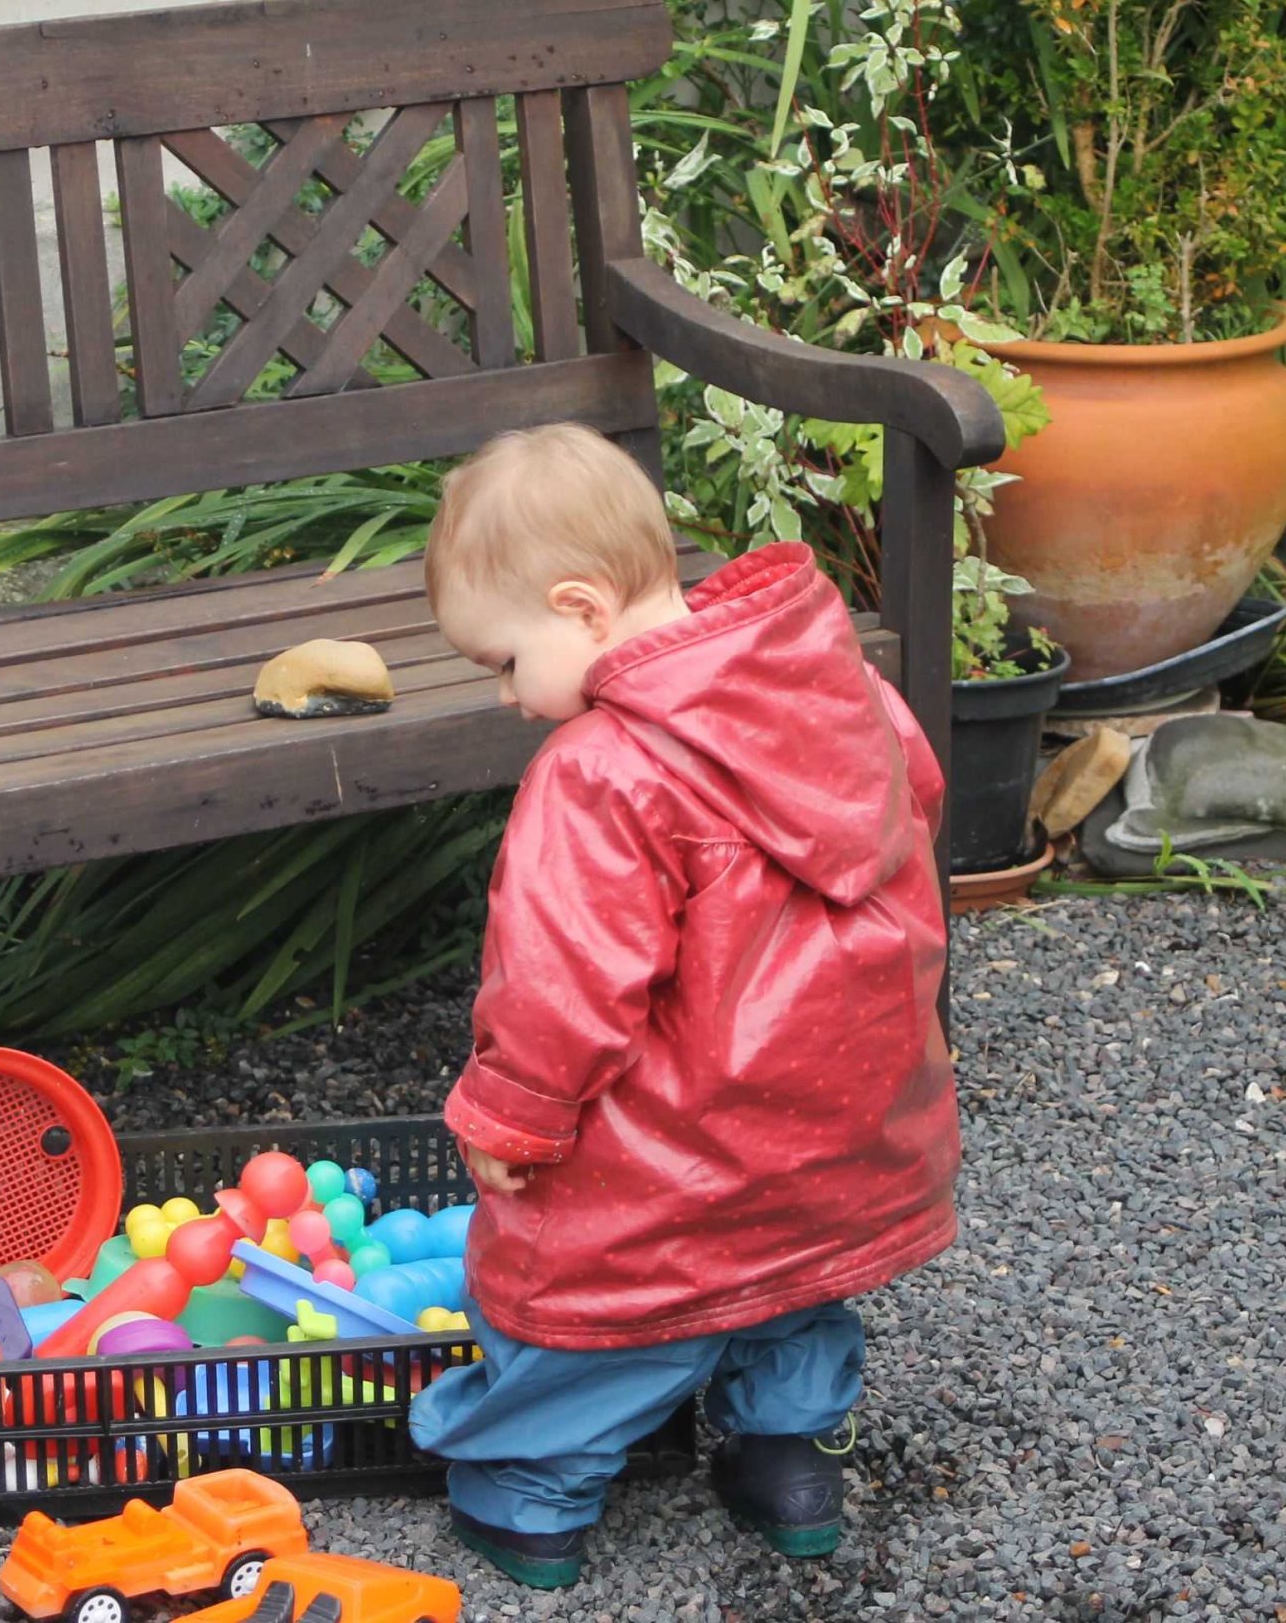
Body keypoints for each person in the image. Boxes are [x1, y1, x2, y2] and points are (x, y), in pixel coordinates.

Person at [410, 424, 959, 1590]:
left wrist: (513, 1115)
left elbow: (564, 978)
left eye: (504, 661)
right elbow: (915, 804)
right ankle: (790, 1466)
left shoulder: (601, 769)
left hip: (693, 1138)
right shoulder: (836, 689)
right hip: (846, 1112)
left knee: (599, 1280)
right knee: (793, 1276)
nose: (509, 698)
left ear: (580, 608)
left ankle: (531, 1496)